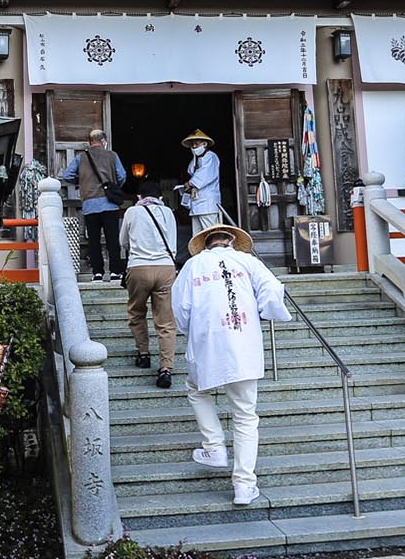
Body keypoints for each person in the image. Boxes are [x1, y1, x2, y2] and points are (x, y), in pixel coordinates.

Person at [172, 223, 289, 507]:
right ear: (231, 241)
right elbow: (273, 288)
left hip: (207, 342)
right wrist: (263, 311)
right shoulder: (247, 261)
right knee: (246, 415)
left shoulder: (192, 266)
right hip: (244, 345)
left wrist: (194, 330)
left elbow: (179, 308)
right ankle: (244, 485)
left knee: (197, 390)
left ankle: (214, 447)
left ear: (207, 242)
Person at [120, 179, 180, 388]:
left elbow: (123, 242)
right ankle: (166, 367)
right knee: (165, 321)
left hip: (138, 267)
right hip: (165, 268)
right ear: (160, 198)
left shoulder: (131, 213)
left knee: (136, 312)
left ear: (139, 197)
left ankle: (144, 353)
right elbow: (173, 241)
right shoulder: (169, 213)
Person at [60, 128, 127, 281]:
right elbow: (122, 176)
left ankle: (97, 272)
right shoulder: (112, 155)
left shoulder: (81, 157)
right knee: (112, 239)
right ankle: (116, 271)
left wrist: (82, 181)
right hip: (109, 204)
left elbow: (67, 175)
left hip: (89, 205)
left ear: (90, 142)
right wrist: (113, 186)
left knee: (94, 241)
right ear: (103, 141)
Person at [177, 129, 222, 232]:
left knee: (210, 234)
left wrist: (190, 183)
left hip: (207, 204)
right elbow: (191, 172)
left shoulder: (211, 157)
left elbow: (205, 175)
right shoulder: (195, 160)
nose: (193, 147)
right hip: (196, 203)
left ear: (204, 144)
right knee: (197, 237)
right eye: (192, 145)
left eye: (196, 144)